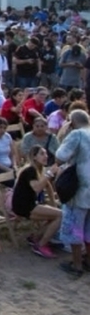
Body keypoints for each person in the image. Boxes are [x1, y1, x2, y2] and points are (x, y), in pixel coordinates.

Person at [54, 109, 90, 277]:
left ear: (72, 121)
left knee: (76, 228)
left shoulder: (77, 134)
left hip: (80, 189)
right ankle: (88, 261)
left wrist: (63, 133)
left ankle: (77, 266)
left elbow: (60, 157)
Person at [12, 145, 62, 259]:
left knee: (55, 214)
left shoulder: (39, 169)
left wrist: (54, 204)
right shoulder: (30, 170)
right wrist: (50, 174)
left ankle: (35, 237)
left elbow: (48, 186)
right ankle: (40, 245)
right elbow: (37, 188)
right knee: (61, 216)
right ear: (34, 157)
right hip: (24, 206)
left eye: (46, 154)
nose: (46, 156)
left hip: (30, 203)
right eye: (42, 154)